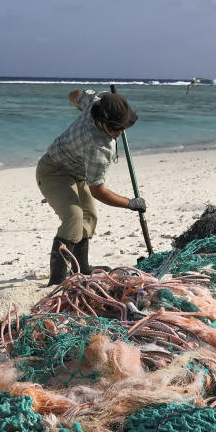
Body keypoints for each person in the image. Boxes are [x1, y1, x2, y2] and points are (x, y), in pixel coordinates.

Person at [36, 89, 144, 285]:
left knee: (89, 216)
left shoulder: (96, 102)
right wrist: (130, 203)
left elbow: (73, 94)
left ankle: (82, 268)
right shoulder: (99, 147)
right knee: (73, 218)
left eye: (123, 128)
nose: (119, 133)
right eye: (114, 129)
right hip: (53, 171)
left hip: (77, 173)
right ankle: (56, 281)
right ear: (102, 121)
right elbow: (98, 191)